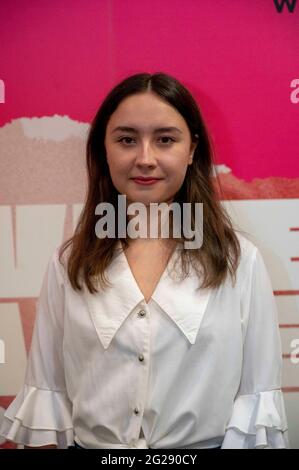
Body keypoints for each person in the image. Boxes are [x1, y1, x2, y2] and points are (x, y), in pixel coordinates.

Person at [0, 72, 290, 449]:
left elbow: (258, 399)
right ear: (104, 149)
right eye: (126, 140)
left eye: (165, 140)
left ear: (191, 150)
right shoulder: (68, 263)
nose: (145, 158)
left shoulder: (239, 262)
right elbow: (48, 391)